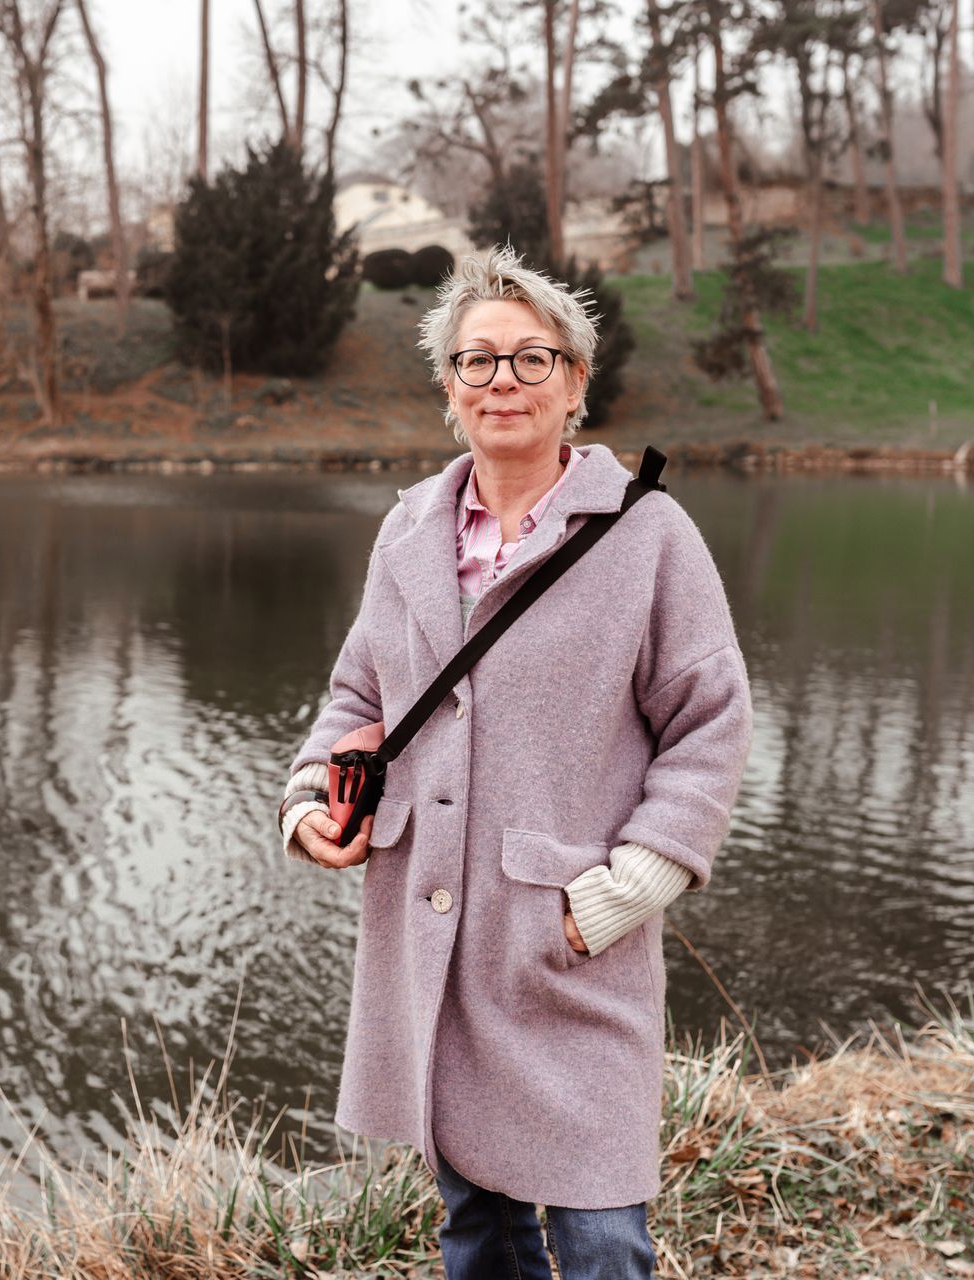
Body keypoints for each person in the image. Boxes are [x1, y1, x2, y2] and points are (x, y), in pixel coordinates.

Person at [274, 244, 754, 1280]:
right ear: (449, 385)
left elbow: (710, 722)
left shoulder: (649, 533)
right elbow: (359, 698)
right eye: (476, 360)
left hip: (568, 939)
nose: (502, 380)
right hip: (433, 944)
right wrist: (310, 800)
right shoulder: (406, 532)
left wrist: (623, 892)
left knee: (601, 1237)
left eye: (530, 359)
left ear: (575, 381)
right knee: (476, 1229)